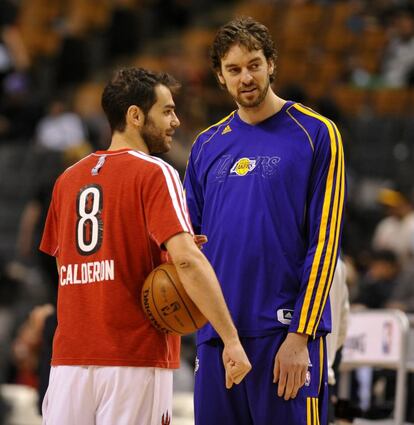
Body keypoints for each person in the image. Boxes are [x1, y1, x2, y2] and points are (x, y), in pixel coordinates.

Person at [39, 67, 251, 425]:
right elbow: (187, 262)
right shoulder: (157, 172)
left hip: (69, 360)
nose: (176, 120)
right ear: (135, 116)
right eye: (166, 111)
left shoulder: (67, 179)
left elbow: (67, 269)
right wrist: (230, 338)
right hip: (133, 358)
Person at [184, 17, 346, 425]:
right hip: (218, 339)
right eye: (234, 69)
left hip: (284, 336)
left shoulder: (317, 133)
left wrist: (300, 338)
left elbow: (325, 244)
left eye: (254, 64)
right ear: (220, 78)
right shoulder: (205, 146)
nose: (246, 77)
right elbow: (189, 245)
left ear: (272, 64)